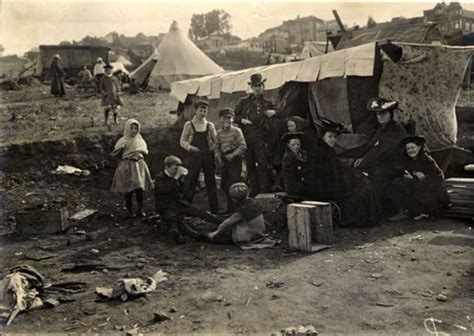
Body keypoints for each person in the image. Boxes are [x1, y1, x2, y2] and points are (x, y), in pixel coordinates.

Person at [306, 118, 381, 227]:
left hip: (331, 183)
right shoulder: (320, 152)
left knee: (364, 183)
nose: (333, 140)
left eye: (335, 137)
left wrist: (354, 174)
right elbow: (329, 174)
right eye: (330, 137)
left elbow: (337, 169)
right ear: (323, 137)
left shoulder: (326, 150)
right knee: (363, 188)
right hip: (325, 188)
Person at [154, 156, 223, 244]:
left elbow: (182, 191)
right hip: (165, 206)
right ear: (167, 167)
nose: (176, 171)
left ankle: (223, 222)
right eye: (175, 168)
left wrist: (182, 179)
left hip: (178, 203)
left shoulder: (176, 177)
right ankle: (178, 235)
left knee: (199, 212)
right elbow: (165, 189)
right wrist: (176, 178)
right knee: (172, 219)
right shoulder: (160, 178)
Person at [353, 97, 408, 205]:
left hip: (393, 165)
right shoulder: (380, 129)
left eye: (383, 113)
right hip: (379, 162)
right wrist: (360, 158)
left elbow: (385, 151)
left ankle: (375, 208)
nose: (380, 116)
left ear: (390, 114)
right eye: (378, 114)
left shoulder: (395, 129)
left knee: (374, 176)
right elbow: (370, 146)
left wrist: (365, 160)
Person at [185, 183, 274, 247]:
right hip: (259, 233)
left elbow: (227, 223)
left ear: (234, 199)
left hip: (246, 237)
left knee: (214, 236)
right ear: (248, 193)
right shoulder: (256, 203)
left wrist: (214, 233)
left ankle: (194, 234)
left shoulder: (242, 211)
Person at [234, 73, 278, 196]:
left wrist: (273, 112)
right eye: (255, 86)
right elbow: (234, 116)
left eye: (259, 86)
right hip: (247, 136)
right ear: (251, 87)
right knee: (250, 164)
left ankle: (264, 191)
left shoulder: (268, 102)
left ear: (263, 86)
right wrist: (243, 120)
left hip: (262, 137)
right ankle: (254, 191)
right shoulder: (243, 102)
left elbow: (280, 112)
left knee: (263, 164)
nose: (257, 88)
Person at [387, 135, 448, 221]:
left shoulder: (427, 160)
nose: (410, 150)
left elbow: (438, 178)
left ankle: (423, 211)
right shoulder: (409, 160)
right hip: (417, 185)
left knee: (405, 185)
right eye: (408, 149)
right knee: (397, 183)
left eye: (413, 147)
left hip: (432, 188)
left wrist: (421, 178)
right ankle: (405, 210)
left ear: (419, 147)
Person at [180, 99, 219, 213]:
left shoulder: (210, 125)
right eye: (201, 110)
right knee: (191, 180)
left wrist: (212, 149)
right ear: (196, 111)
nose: (203, 113)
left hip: (207, 155)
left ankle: (214, 209)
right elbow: (182, 141)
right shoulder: (189, 124)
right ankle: (186, 208)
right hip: (194, 156)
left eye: (205, 111)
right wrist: (191, 148)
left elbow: (215, 140)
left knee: (210, 181)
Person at [111, 119, 154, 218]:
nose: (134, 131)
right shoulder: (123, 141)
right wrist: (120, 150)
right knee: (128, 188)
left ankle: (140, 208)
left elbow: (144, 151)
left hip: (138, 165)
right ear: (127, 129)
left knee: (139, 187)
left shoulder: (140, 140)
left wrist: (138, 155)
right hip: (127, 165)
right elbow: (115, 154)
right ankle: (129, 210)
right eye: (131, 128)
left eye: (136, 128)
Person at [215, 108, 247, 213]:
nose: (227, 120)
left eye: (229, 118)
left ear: (232, 119)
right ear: (221, 119)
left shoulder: (237, 131)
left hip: (235, 160)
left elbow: (243, 146)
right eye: (225, 118)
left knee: (234, 184)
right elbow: (216, 146)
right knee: (224, 185)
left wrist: (233, 155)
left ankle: (238, 208)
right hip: (224, 161)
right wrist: (219, 157)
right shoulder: (219, 133)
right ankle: (230, 207)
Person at [281, 131, 309, 197]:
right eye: (293, 145)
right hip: (294, 190)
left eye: (298, 144)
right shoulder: (288, 158)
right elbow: (290, 178)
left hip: (304, 186)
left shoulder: (303, 154)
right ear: (288, 145)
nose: (296, 147)